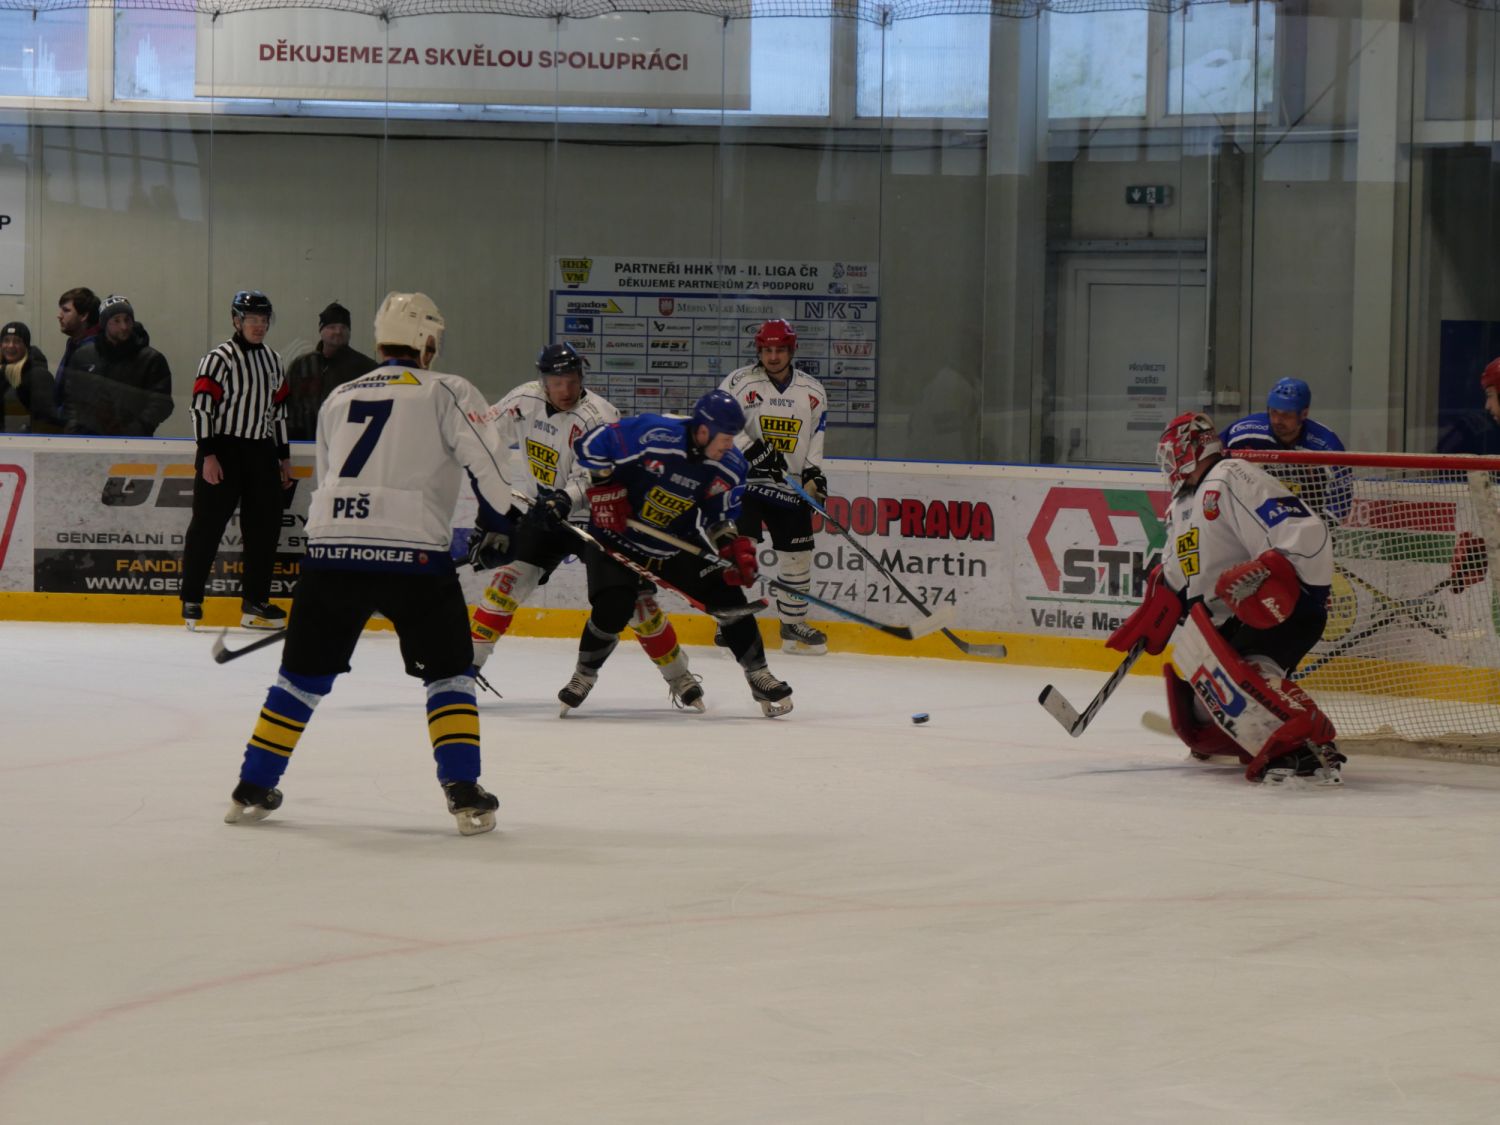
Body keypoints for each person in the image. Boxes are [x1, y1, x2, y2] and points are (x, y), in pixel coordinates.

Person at [223, 291, 518, 835]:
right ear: (426, 341)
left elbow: (329, 476)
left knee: (300, 677)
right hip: (413, 556)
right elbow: (491, 470)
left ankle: (252, 785)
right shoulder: (447, 389)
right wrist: (512, 521)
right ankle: (463, 791)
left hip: (331, 554)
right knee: (450, 673)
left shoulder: (339, 396)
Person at [1107, 412, 1343, 786]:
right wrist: (1159, 606)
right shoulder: (1181, 505)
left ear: (1192, 447)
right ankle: (1254, 736)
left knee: (1249, 679)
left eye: (1171, 454)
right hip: (1231, 617)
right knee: (1204, 711)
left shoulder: (1231, 475)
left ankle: (1311, 746)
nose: (1168, 465)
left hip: (1278, 602)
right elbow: (1179, 571)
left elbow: (1306, 530)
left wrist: (1272, 573)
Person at [469, 342, 705, 709]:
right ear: (543, 381)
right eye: (556, 382)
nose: (565, 390)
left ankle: (679, 675)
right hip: (543, 513)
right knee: (506, 584)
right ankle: (465, 669)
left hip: (598, 518)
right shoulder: (523, 400)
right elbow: (482, 435)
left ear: (581, 377)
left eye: (571, 380)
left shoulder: (599, 416)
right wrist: (491, 508)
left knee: (635, 603)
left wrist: (564, 498)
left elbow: (593, 477)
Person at [552, 388, 794, 718]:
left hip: (673, 542)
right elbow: (591, 444)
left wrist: (730, 547)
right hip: (614, 537)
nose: (730, 445)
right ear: (704, 431)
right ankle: (583, 675)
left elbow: (718, 516)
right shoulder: (655, 434)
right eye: (725, 438)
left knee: (729, 598)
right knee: (613, 606)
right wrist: (606, 488)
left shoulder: (730, 465)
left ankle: (759, 675)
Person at [180, 290, 292, 631]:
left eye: (264, 320)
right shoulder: (218, 359)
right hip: (223, 449)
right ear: (236, 320)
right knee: (207, 526)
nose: (259, 326)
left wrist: (283, 458)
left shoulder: (274, 360)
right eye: (252, 319)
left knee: (264, 529)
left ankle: (255, 601)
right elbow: (201, 408)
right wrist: (208, 454)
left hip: (261, 451)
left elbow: (279, 413)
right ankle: (192, 598)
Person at [717, 318, 831, 655]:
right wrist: (752, 449)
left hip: (787, 485)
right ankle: (729, 622)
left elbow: (816, 437)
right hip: (744, 483)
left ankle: (792, 624)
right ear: (759, 351)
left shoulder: (812, 391)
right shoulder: (739, 382)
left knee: (797, 557)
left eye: (780, 349)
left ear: (791, 350)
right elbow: (719, 419)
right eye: (767, 350)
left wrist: (814, 475)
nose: (773, 356)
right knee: (740, 549)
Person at [1220, 377, 1351, 523]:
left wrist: (1322, 530)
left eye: (1286, 415)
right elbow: (1213, 457)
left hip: (1307, 521)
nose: (1277, 420)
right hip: (1253, 517)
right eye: (1274, 412)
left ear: (1304, 414)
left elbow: (1340, 503)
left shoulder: (1326, 444)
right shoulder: (1245, 431)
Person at [61, 294, 174, 436]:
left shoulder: (151, 359)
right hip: (88, 439)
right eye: (116, 320)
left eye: (127, 320)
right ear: (104, 324)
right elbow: (72, 398)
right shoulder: (83, 356)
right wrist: (74, 430)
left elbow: (161, 402)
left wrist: (136, 430)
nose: (124, 326)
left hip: (134, 441)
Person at [283, 301, 375, 441]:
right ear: (321, 330)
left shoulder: (365, 367)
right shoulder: (301, 366)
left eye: (343, 327)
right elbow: (287, 407)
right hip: (304, 445)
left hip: (348, 444)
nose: (338, 331)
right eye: (332, 327)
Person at [52, 286, 100, 425]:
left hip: (81, 431)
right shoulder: (74, 343)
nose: (59, 315)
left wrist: (55, 415)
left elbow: (81, 402)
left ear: (84, 316)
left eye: (66, 310)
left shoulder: (93, 351)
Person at [0, 321, 58, 433]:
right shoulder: (3, 374)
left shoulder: (38, 376)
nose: (10, 345)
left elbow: (47, 420)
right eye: (6, 340)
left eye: (17, 341)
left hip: (26, 441)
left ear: (26, 346)